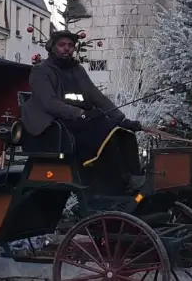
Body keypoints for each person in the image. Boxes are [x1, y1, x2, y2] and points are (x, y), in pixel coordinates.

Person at [20, 29, 147, 192]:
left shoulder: (77, 70)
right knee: (102, 128)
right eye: (62, 45)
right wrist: (81, 113)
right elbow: (50, 103)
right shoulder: (41, 70)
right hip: (50, 125)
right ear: (52, 47)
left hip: (76, 120)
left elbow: (95, 96)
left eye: (70, 45)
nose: (67, 49)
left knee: (121, 130)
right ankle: (119, 180)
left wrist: (121, 119)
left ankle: (133, 174)